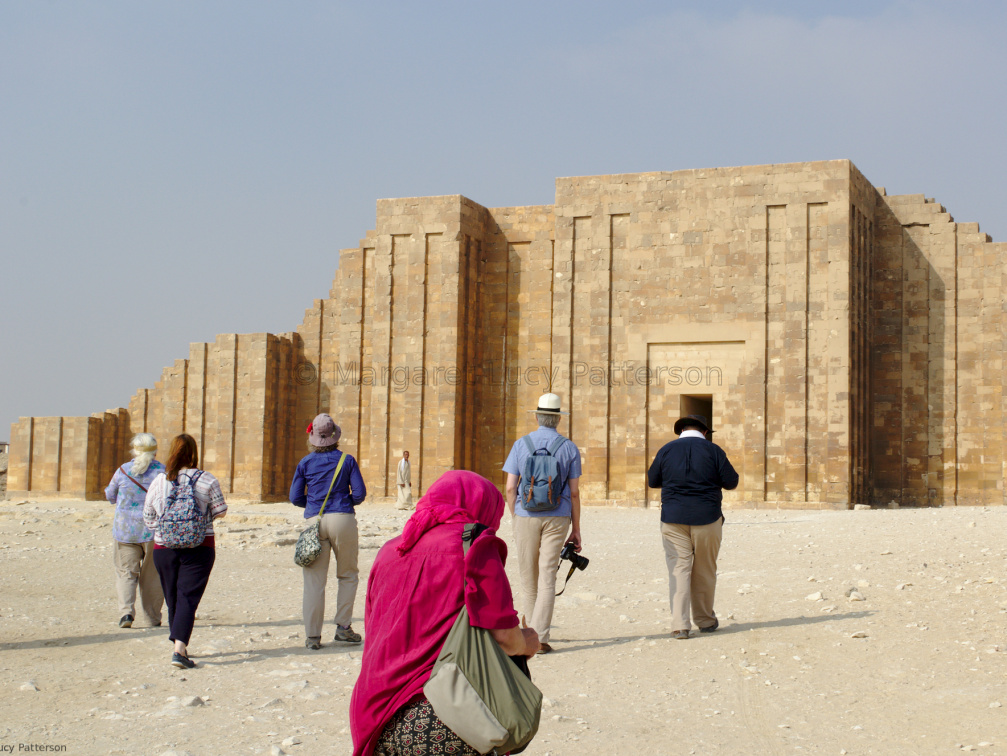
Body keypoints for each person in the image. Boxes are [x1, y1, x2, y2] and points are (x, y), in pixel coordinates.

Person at [349, 470, 539, 756]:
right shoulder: (475, 547)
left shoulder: (390, 550)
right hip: (441, 717)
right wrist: (529, 640)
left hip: (374, 715)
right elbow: (505, 638)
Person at [503, 392, 582, 654]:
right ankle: (541, 636)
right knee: (548, 575)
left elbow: (510, 487)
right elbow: (574, 492)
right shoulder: (568, 447)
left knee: (528, 578)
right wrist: (576, 529)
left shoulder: (520, 444)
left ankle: (528, 637)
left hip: (525, 515)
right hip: (558, 515)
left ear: (537, 417)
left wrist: (516, 517)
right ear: (558, 419)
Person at [647, 414, 739, 639]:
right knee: (705, 569)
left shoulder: (666, 450)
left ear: (680, 431)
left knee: (679, 568)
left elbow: (652, 480)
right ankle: (705, 620)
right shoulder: (714, 451)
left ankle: (680, 624)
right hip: (707, 517)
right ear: (705, 432)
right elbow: (731, 481)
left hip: (673, 518)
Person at [143, 433, 227, 668]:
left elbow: (148, 518)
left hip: (164, 547)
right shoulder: (206, 479)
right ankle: (179, 649)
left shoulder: (159, 481)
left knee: (173, 599)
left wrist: (167, 528)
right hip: (199, 546)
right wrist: (199, 521)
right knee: (187, 597)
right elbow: (220, 510)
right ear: (194, 453)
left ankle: (178, 644)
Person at [289, 413, 367, 650]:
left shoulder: (305, 462)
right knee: (347, 575)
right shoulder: (347, 460)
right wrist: (343, 502)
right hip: (342, 518)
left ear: (313, 437)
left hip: (314, 520)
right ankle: (343, 628)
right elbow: (360, 494)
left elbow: (294, 497)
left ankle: (313, 636)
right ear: (335, 437)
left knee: (314, 581)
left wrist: (312, 505)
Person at [104, 433, 165, 629]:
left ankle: (126, 613)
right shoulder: (163, 472)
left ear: (134, 449)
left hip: (125, 531)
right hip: (153, 531)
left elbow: (110, 494)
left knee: (126, 573)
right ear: (155, 450)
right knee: (153, 576)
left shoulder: (123, 470)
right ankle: (153, 618)